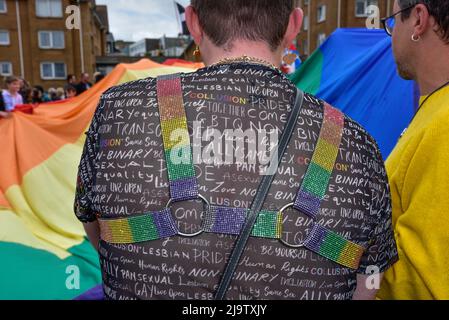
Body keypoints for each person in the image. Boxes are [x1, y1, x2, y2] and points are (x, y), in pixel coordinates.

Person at [75, 0, 398, 301]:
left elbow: (100, 232)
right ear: (293, 24)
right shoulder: (358, 145)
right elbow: (368, 280)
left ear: (193, 22)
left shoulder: (120, 112)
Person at [378, 0, 449, 300]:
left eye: (394, 21)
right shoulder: (435, 110)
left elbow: (423, 279)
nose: (391, 35)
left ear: (418, 20)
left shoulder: (444, 123)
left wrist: (332, 254)